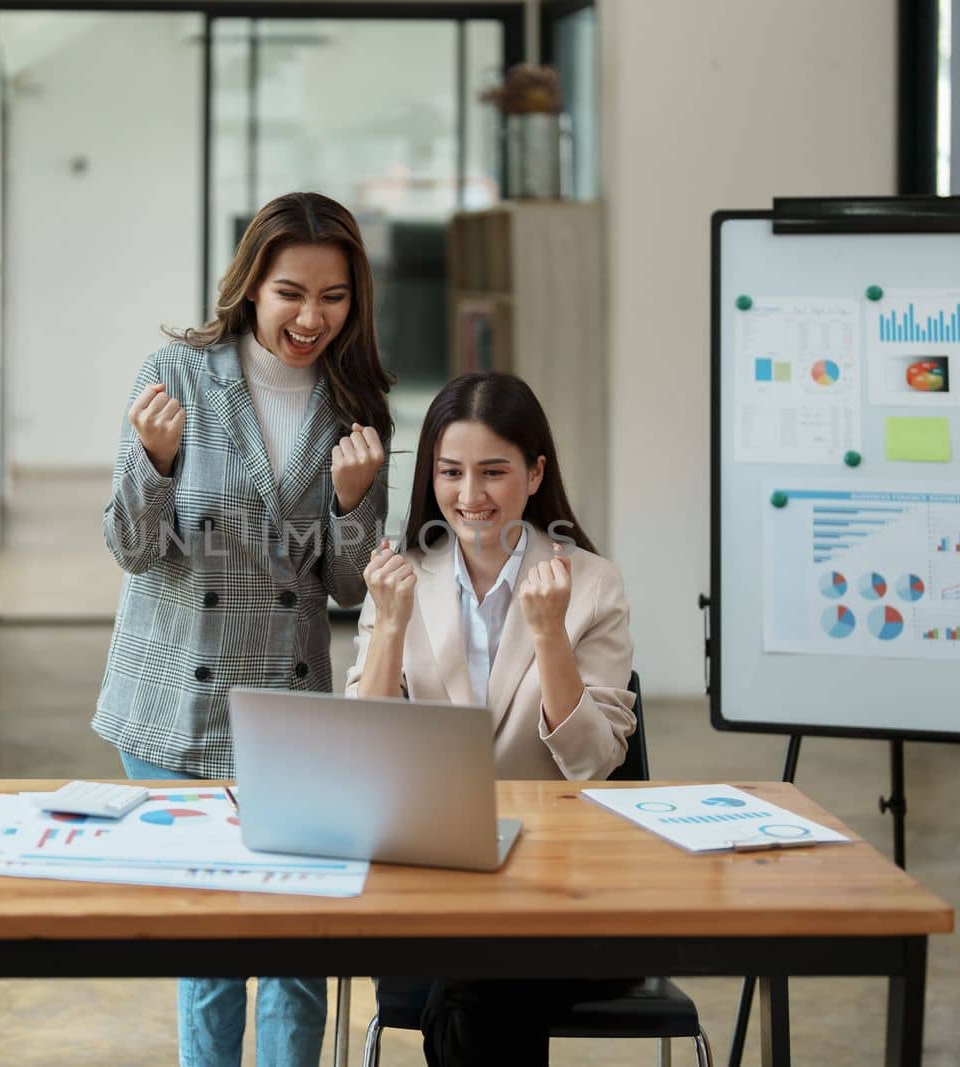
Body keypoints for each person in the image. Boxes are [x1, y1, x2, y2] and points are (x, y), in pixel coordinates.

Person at [95, 191, 393, 1067]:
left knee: (301, 951)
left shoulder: (359, 398)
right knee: (215, 958)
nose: (311, 317)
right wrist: (151, 463)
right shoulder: (175, 373)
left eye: (333, 296)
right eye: (291, 292)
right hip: (172, 708)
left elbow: (346, 584)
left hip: (290, 710)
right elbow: (131, 547)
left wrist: (349, 504)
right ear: (252, 284)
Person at [345, 371, 638, 1066]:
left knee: (478, 972)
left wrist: (550, 636)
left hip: (556, 879)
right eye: (450, 472)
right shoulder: (398, 573)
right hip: (429, 874)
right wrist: (388, 627)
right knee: (479, 969)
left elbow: (595, 762)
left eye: (493, 472)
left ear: (535, 474)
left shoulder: (591, 585)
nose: (469, 496)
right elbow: (363, 762)